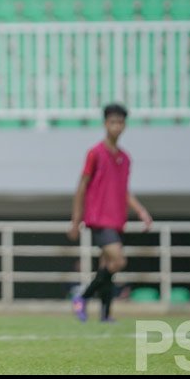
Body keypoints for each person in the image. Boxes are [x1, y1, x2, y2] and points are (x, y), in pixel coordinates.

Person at [67, 104, 153, 323]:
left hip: (116, 220)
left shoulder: (125, 158)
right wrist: (76, 219)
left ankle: (105, 315)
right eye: (113, 122)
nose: (117, 126)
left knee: (106, 267)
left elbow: (123, 191)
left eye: (120, 122)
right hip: (98, 219)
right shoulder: (95, 153)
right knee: (118, 261)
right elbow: (82, 186)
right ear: (106, 124)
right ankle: (82, 297)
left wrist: (141, 211)